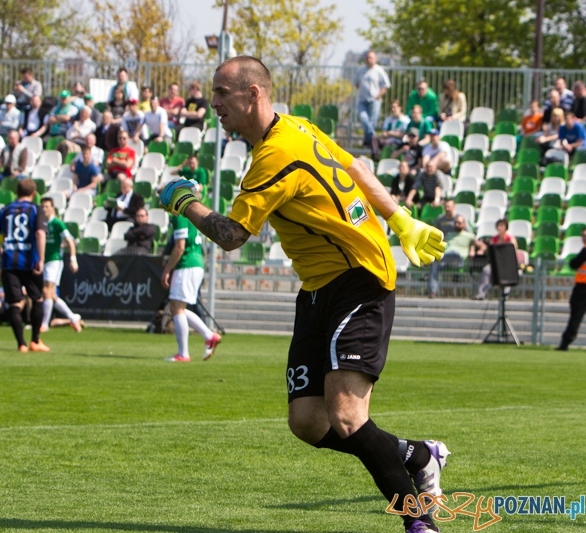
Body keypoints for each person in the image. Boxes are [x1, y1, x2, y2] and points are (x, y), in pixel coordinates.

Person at [159, 56, 447, 533]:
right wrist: (398, 218)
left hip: (359, 277)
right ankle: (417, 455)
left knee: (347, 415)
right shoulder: (298, 128)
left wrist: (186, 202)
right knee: (308, 421)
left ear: (253, 94)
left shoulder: (276, 154)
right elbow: (353, 166)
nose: (212, 104)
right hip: (317, 287)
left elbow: (232, 235)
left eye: (222, 93)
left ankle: (420, 523)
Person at [0, 179, 48, 352]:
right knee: (37, 299)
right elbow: (40, 233)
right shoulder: (36, 209)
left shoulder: (5, 210)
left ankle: (21, 344)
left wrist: (1, 252)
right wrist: (41, 259)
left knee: (14, 304)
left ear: (16, 192)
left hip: (9, 262)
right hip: (29, 262)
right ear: (34, 193)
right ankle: (35, 340)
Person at [160, 210, 222, 363]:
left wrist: (167, 269)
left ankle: (183, 353)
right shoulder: (189, 213)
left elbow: (180, 247)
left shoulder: (179, 215)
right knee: (176, 307)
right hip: (195, 262)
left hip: (187, 264)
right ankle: (209, 336)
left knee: (177, 307)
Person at [39, 198, 82, 333]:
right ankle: (73, 317)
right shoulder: (41, 223)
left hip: (54, 260)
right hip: (44, 260)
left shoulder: (57, 223)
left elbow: (70, 240)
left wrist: (73, 259)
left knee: (47, 291)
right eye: (43, 207)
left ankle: (44, 325)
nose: (45, 209)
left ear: (52, 208)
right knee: (51, 294)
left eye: (47, 207)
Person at [428, 215, 474, 299]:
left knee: (454, 252)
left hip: (459, 261)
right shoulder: (449, 235)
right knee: (434, 263)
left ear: (464, 224)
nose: (456, 224)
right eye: (455, 222)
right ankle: (432, 291)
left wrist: (472, 248)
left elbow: (482, 246)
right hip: (446, 260)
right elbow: (444, 246)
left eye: (459, 223)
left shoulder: (469, 236)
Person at [556, 227, 586, 351]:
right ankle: (565, 342)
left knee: (575, 317)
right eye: (583, 235)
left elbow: (573, 264)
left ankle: (565, 343)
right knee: (575, 317)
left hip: (582, 288)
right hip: (581, 287)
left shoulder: (585, 250)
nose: (584, 238)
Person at [473, 219, 517, 300]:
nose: (499, 227)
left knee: (508, 274)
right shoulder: (494, 239)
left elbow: (513, 251)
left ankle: (505, 294)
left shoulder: (510, 238)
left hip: (507, 264)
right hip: (496, 264)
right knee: (486, 271)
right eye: (498, 225)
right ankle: (481, 294)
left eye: (502, 225)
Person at [354, 51, 391, 148]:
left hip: (375, 100)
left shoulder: (379, 70)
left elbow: (385, 86)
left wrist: (377, 96)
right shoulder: (360, 70)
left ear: (375, 59)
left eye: (371, 58)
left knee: (372, 121)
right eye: (367, 58)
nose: (369, 60)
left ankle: (367, 141)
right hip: (362, 100)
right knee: (363, 118)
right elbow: (356, 84)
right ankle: (374, 138)